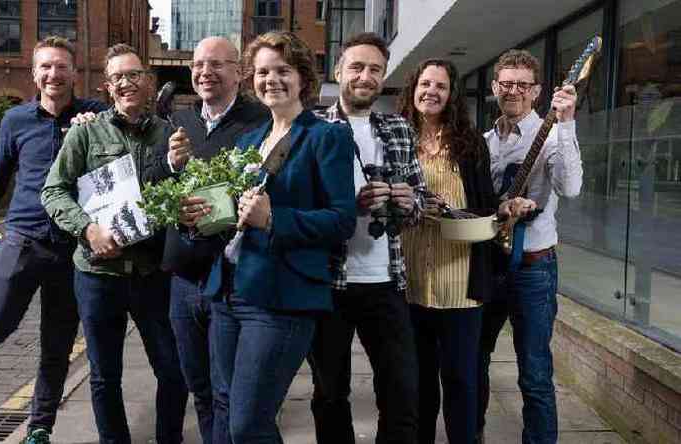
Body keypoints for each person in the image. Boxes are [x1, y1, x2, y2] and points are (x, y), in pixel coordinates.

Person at [179, 31, 357, 444]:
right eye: (262, 72)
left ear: (303, 79)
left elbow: (341, 220)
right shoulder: (250, 139)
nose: (270, 79)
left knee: (248, 424)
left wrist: (275, 218)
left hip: (281, 300)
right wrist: (200, 216)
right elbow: (233, 215)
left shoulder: (326, 136)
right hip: (228, 291)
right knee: (224, 407)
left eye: (282, 71)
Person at [41, 44, 188, 444]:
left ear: (148, 81)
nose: (127, 83)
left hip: (152, 272)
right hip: (97, 273)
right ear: (108, 87)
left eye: (134, 74)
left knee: (173, 371)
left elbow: (186, 194)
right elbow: (53, 191)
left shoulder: (172, 135)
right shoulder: (86, 133)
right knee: (105, 376)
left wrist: (181, 171)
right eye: (118, 77)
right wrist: (88, 229)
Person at [0, 36, 106, 444]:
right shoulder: (16, 120)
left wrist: (97, 128)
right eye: (46, 67)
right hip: (23, 239)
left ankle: (39, 426)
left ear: (74, 73)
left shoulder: (94, 115)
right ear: (34, 74)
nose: (53, 74)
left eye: (61, 66)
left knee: (57, 344)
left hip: (72, 248)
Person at [398, 58, 536, 444]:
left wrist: (502, 210)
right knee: (419, 382)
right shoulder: (397, 138)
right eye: (426, 84)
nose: (432, 92)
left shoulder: (469, 142)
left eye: (441, 86)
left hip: (460, 281)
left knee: (461, 379)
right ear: (414, 88)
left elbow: (485, 204)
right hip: (411, 280)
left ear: (451, 94)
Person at [309, 32, 425, 444]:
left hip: (386, 280)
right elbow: (300, 201)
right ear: (338, 71)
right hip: (329, 283)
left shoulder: (398, 128)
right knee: (329, 394)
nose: (365, 76)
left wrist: (408, 200)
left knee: (401, 394)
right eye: (357, 67)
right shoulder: (313, 126)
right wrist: (347, 203)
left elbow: (419, 204)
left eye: (375, 69)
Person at [162, 36, 268, 444]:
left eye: (216, 65)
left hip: (230, 281)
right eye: (198, 65)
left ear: (239, 72)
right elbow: (155, 182)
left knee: (229, 393)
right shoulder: (180, 122)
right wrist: (172, 165)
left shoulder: (259, 122)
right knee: (200, 390)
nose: (205, 73)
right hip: (184, 279)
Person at [477, 49, 583, 444]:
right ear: (494, 88)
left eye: (522, 85)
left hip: (533, 269)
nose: (514, 92)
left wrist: (568, 122)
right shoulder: (485, 142)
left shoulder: (555, 136)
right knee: (474, 360)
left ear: (537, 91)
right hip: (488, 264)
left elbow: (570, 188)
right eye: (506, 83)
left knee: (535, 372)